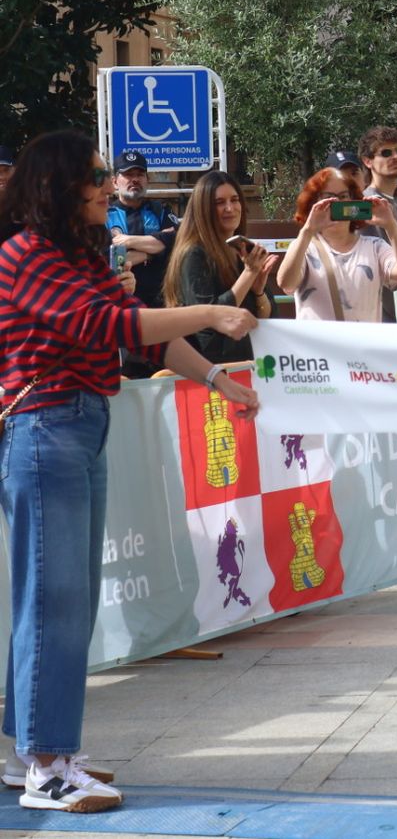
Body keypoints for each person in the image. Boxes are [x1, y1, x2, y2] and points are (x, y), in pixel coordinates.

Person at [0, 131, 260, 813]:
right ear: (59, 185)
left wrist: (215, 378)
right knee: (54, 603)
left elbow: (132, 328)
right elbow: (106, 321)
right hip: (44, 428)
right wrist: (210, 311)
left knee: (63, 601)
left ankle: (32, 747)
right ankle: (48, 767)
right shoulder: (23, 256)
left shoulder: (77, 254)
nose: (108, 181)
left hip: (79, 425)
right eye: (94, 173)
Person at [163, 171, 277, 363]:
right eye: (219, 203)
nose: (230, 208)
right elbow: (209, 320)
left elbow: (268, 317)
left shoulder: (242, 252)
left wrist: (258, 292)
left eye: (235, 200)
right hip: (210, 371)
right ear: (203, 209)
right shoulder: (194, 254)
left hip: (250, 363)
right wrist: (248, 274)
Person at [277, 168, 397, 323]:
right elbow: (286, 283)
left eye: (343, 196)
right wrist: (308, 230)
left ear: (354, 199)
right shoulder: (304, 247)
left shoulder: (374, 247)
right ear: (313, 202)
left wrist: (391, 225)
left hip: (362, 345)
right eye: (329, 197)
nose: (338, 203)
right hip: (316, 346)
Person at [106, 152, 180, 313]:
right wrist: (155, 251)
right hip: (121, 305)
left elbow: (177, 241)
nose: (135, 179)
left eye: (140, 174)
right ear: (115, 182)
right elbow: (106, 258)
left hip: (163, 303)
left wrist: (128, 241)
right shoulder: (106, 215)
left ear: (147, 180)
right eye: (128, 174)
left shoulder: (160, 210)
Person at [358, 127, 397, 321]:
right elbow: (386, 269)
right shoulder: (368, 205)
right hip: (382, 314)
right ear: (367, 161)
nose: (395, 157)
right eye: (386, 153)